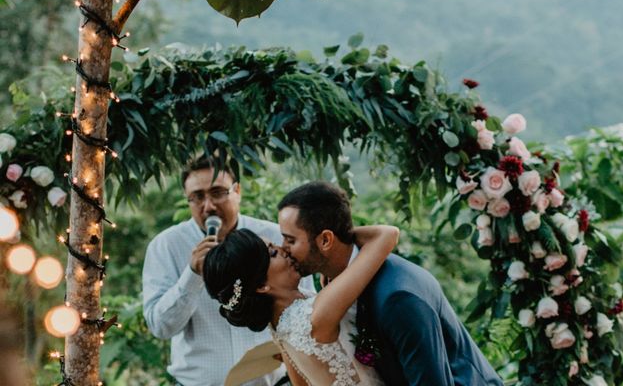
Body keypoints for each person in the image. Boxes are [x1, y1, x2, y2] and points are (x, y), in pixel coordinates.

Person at [276, 181, 504, 386]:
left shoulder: (398, 298)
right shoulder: (332, 280)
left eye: (290, 240)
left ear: (325, 240)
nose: (283, 248)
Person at [143, 155, 288, 386]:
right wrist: (192, 275)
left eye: (218, 192)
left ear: (237, 190)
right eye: (197, 197)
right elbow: (161, 327)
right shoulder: (166, 246)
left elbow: (300, 304)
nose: (208, 206)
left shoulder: (273, 237)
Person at [203, 224, 397, 385]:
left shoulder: (280, 324)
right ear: (262, 286)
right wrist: (329, 238)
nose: (283, 250)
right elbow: (387, 235)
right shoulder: (313, 317)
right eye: (272, 253)